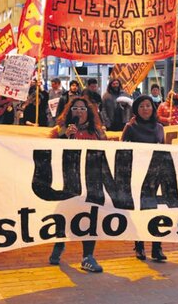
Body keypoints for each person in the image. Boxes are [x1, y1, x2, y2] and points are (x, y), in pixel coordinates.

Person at [48, 97, 105, 272]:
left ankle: (88, 256)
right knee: (64, 213)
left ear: (88, 112)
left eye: (82, 108)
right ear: (69, 111)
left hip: (91, 182)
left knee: (90, 218)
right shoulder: (60, 130)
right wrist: (64, 136)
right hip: (68, 181)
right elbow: (45, 149)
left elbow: (106, 154)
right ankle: (59, 245)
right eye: (75, 108)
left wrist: (104, 140)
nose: (79, 111)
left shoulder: (96, 132)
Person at [121, 95, 167, 262]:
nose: (145, 109)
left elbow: (165, 150)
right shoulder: (130, 127)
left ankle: (157, 247)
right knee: (140, 210)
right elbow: (123, 150)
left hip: (155, 175)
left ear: (153, 108)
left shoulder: (160, 128)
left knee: (156, 211)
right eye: (141, 106)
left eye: (148, 106)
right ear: (136, 110)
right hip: (137, 175)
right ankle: (139, 245)